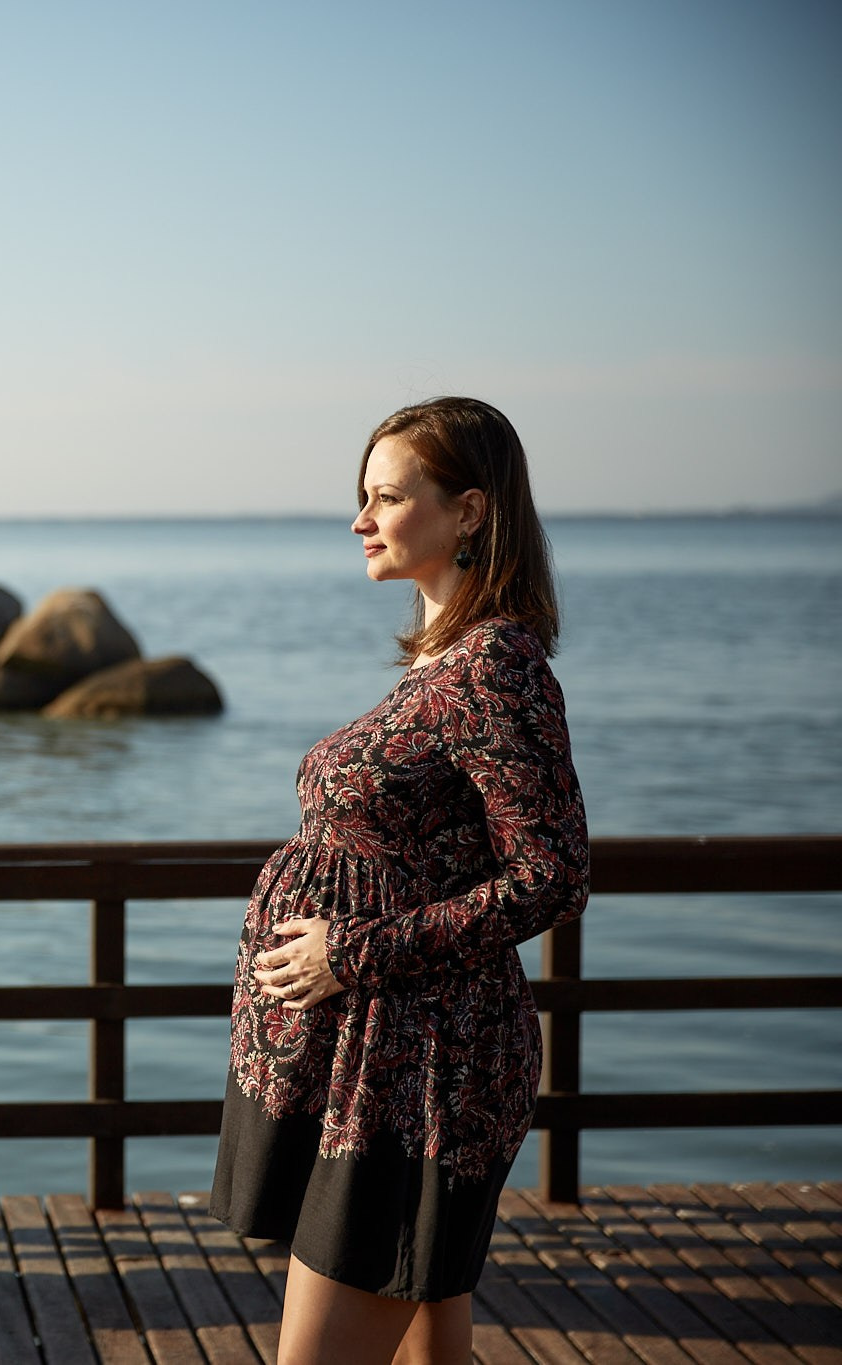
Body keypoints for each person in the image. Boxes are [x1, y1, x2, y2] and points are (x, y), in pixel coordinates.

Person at [209, 397, 589, 1364]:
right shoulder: (445, 660)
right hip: (376, 1061)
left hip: (420, 1078)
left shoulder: (495, 665)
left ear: (470, 510)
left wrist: (352, 951)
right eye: (363, 496)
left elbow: (552, 875)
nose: (360, 520)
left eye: (387, 497)